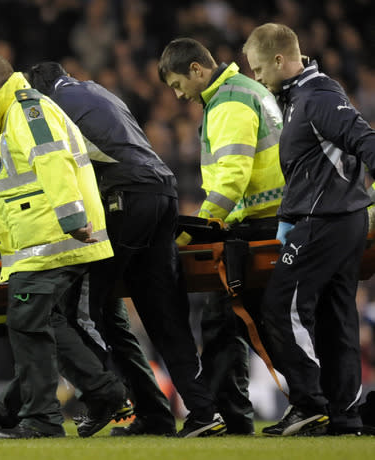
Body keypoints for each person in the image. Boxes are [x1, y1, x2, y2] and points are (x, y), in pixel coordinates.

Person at [27, 62, 225, 437]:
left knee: (79, 310)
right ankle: (200, 413)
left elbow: (57, 168)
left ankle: (110, 396)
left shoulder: (49, 105)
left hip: (125, 196)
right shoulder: (99, 92)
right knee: (164, 313)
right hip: (162, 192)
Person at [0, 53, 116, 438]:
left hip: (51, 241)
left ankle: (43, 419)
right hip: (43, 242)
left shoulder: (25, 111)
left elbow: (53, 162)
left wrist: (71, 220)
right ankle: (103, 392)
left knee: (27, 323)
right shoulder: (14, 116)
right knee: (45, 323)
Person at [243, 23, 375, 436]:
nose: (258, 77)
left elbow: (365, 140)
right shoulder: (298, 97)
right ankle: (343, 413)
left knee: (280, 307)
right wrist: (287, 216)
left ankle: (309, 403)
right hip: (332, 219)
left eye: (260, 68)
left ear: (280, 60)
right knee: (336, 318)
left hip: (327, 221)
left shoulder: (318, 96)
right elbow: (309, 168)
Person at [158, 38, 286, 435]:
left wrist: (198, 230)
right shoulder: (239, 93)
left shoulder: (229, 101)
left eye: (179, 84)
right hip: (267, 220)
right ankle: (244, 416)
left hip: (253, 224)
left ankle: (245, 416)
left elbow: (231, 177)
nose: (178, 94)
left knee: (232, 324)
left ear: (198, 69)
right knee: (248, 322)